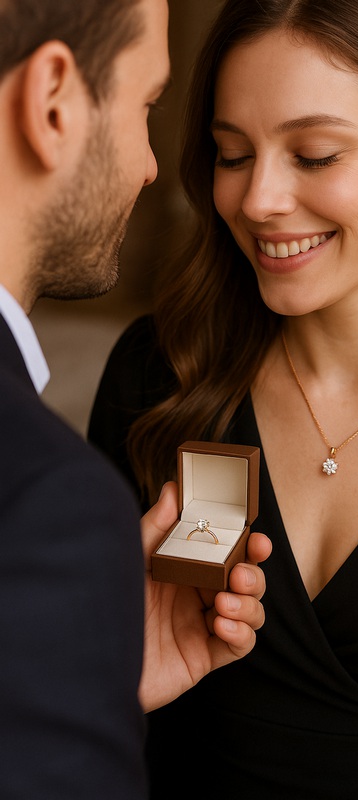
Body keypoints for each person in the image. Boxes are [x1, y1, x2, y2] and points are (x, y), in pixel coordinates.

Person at [87, 0, 358, 796]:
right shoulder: (161, 375)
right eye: (231, 154)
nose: (258, 200)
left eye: (315, 155)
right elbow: (75, 704)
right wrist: (102, 655)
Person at [0, 0, 271, 797]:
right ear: (54, 101)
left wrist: (82, 672)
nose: (153, 165)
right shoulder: (51, 504)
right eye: (145, 104)